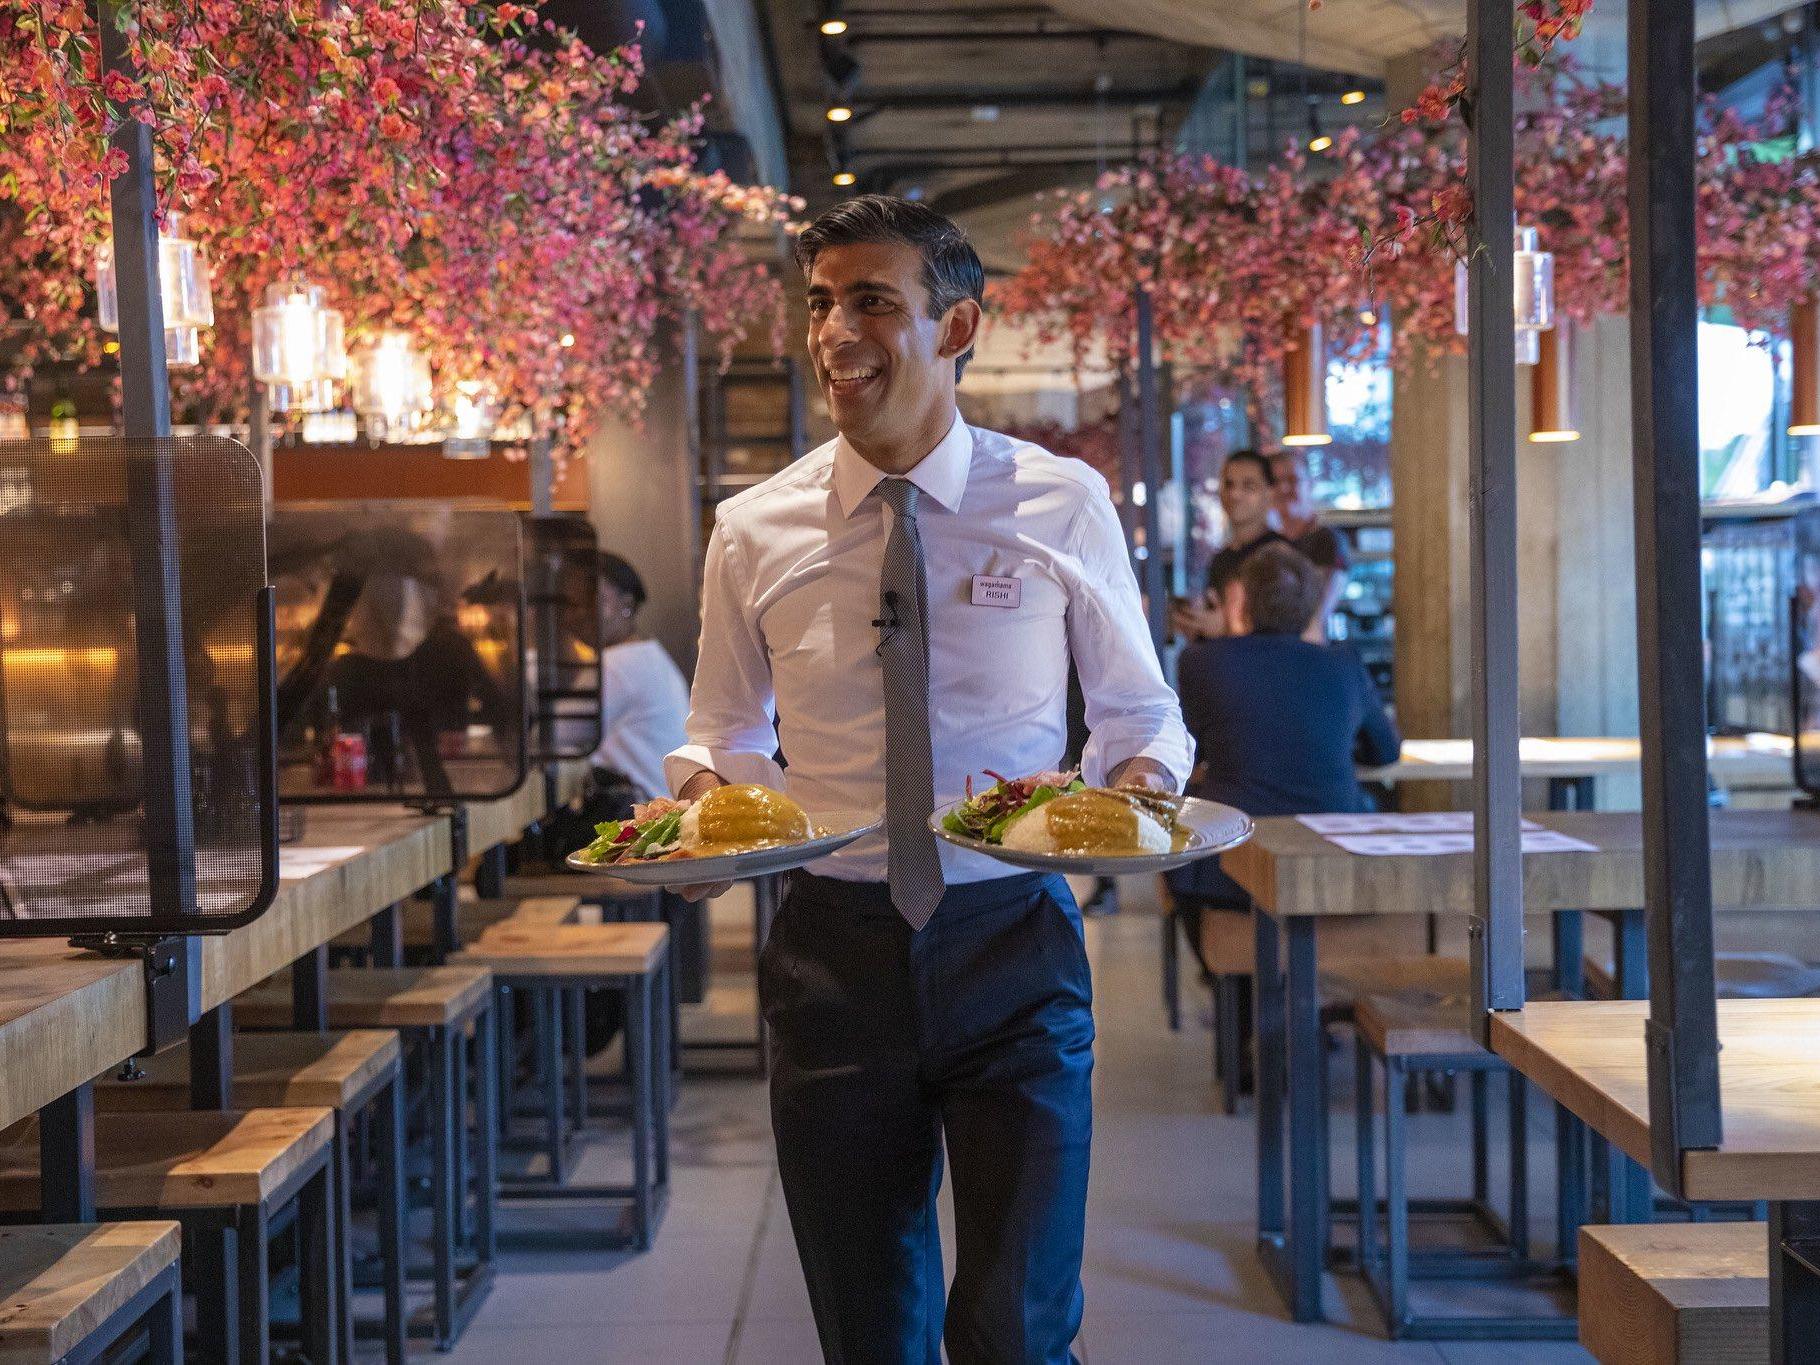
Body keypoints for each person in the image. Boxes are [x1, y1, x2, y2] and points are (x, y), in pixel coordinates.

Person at [667, 195, 1190, 1364]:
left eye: (871, 302)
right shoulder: (753, 526)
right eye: (819, 303)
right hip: (831, 954)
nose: (834, 331)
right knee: (868, 1330)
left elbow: (1135, 709)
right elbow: (722, 728)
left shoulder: (1059, 499)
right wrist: (708, 816)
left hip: (1012, 942)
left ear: (956, 328)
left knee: (1016, 1324)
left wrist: (1140, 789)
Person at [1167, 541, 1399, 952]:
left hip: (1231, 865)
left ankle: (1225, 988)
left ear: (1243, 601)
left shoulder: (1203, 662)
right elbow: (1385, 752)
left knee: (1177, 860)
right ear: (1312, 609)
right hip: (1328, 862)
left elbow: (1190, 754)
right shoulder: (1342, 665)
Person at [590, 551, 691, 804]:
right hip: (665, 804)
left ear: (626, 604)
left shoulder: (618, 664)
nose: (583, 612)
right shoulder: (646, 654)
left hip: (643, 815)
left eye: (597, 599)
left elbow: (563, 738)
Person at [1171, 448, 1284, 641]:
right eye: (1229, 484)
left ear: (1270, 493)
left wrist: (1227, 628)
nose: (1235, 494)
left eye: (1248, 486)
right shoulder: (1221, 559)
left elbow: (1288, 636)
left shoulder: (1280, 556)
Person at [1268, 448, 1350, 641]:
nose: (1283, 489)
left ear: (1309, 484)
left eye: (1292, 480)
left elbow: (1316, 616)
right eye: (1275, 482)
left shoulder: (1327, 541)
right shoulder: (1270, 544)